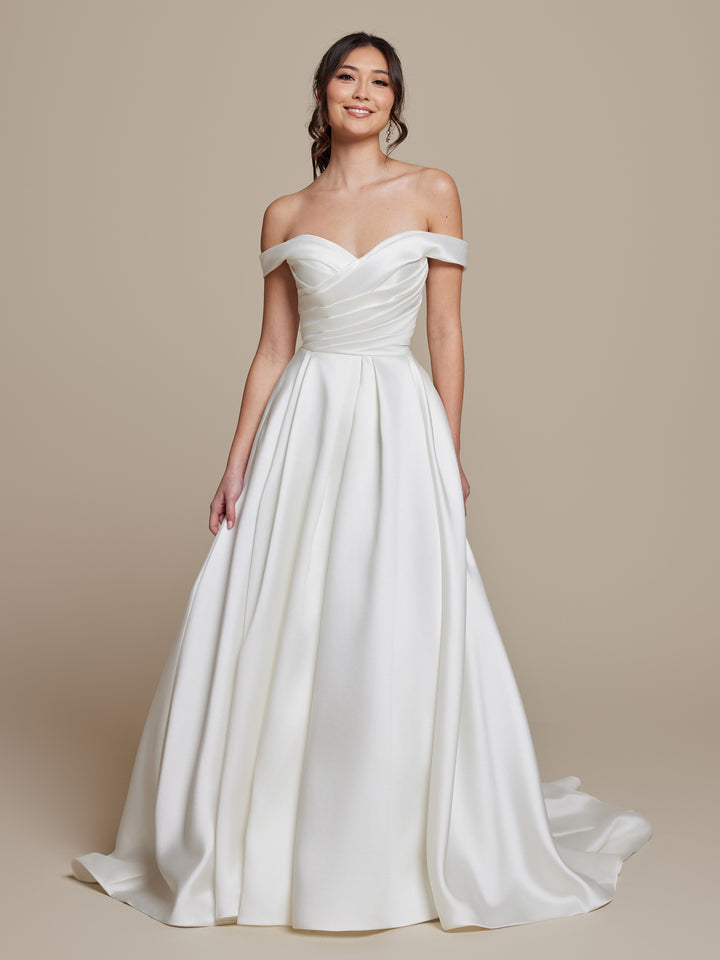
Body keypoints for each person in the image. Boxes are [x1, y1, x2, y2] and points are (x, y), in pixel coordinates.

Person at [70, 31, 653, 932]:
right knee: (289, 614)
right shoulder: (283, 212)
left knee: (389, 608)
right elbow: (272, 349)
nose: (365, 92)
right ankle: (274, 837)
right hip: (307, 418)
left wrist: (445, 450)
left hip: (394, 417)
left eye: (382, 81)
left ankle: (396, 837)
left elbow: (448, 334)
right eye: (349, 75)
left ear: (395, 102)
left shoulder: (432, 189)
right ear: (322, 91)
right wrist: (235, 463)